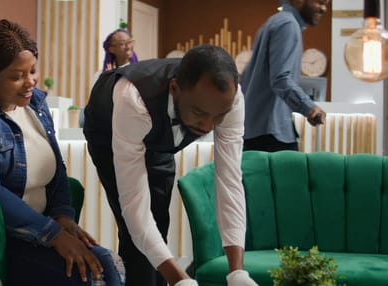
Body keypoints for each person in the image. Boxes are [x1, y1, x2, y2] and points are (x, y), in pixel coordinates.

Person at [0, 19, 123, 286]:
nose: (29, 82)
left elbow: (56, 171)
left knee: (109, 265)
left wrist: (63, 216)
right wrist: (53, 234)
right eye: (16, 76)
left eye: (32, 71)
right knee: (91, 275)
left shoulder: (36, 105)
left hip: (40, 229)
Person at [83, 45, 259, 286]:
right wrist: (181, 280)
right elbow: (135, 207)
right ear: (175, 89)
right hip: (109, 131)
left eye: (217, 117)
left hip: (159, 140)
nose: (208, 126)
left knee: (159, 220)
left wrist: (237, 272)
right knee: (133, 230)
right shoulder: (133, 98)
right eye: (199, 112)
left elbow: (229, 182)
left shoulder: (230, 100)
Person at [240, 0, 331, 152]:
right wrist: (309, 107)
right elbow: (281, 79)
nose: (323, 9)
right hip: (271, 133)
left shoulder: (274, 22)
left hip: (257, 130)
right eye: (320, 2)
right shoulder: (288, 26)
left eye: (326, 4)